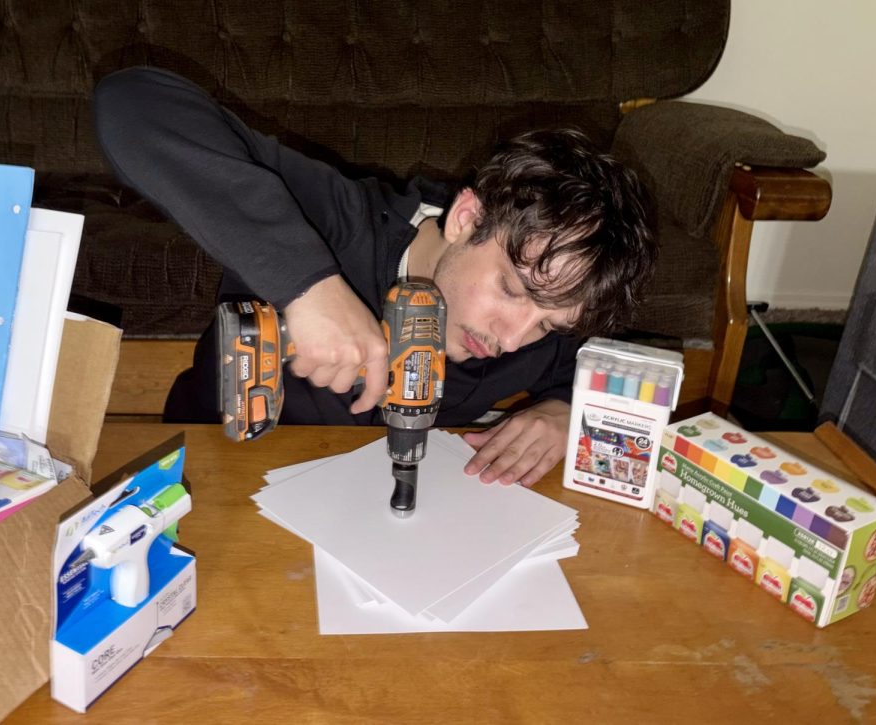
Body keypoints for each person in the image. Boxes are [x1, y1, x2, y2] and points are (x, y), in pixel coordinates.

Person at [94, 67, 656, 487]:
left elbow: (595, 369)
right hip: (211, 466)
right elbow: (131, 102)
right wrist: (310, 288)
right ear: (466, 219)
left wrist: (560, 412)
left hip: (374, 512)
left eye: (548, 324)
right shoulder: (336, 217)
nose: (510, 338)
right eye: (511, 289)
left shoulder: (536, 322)